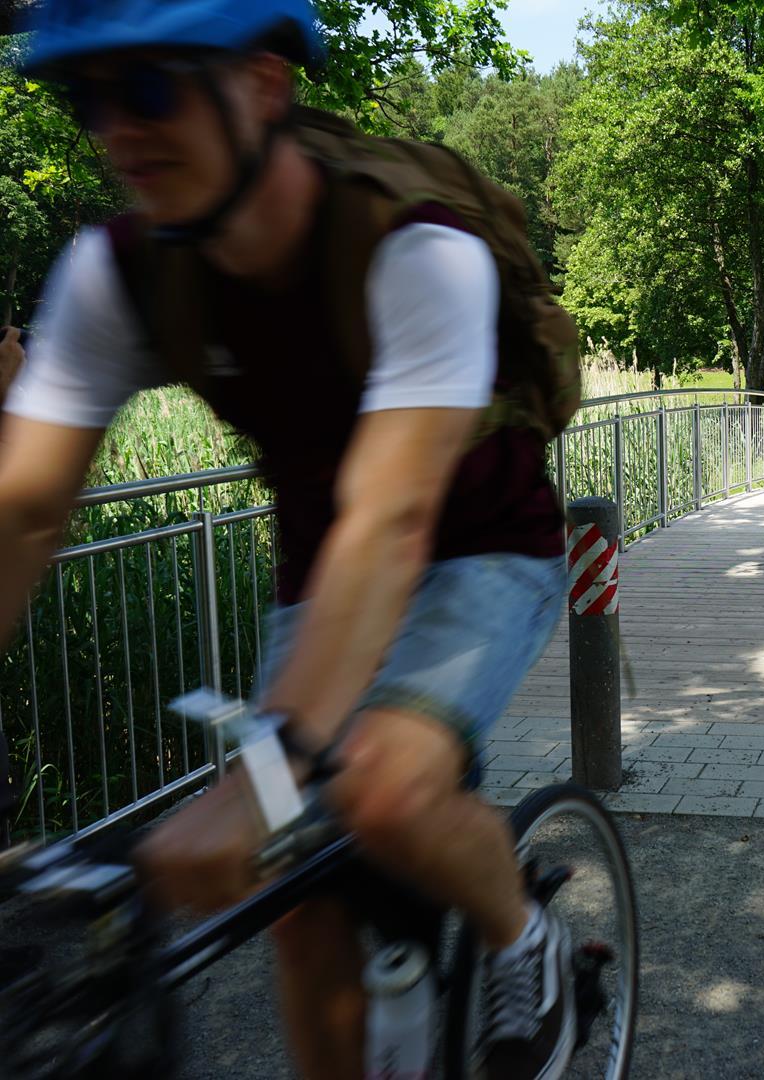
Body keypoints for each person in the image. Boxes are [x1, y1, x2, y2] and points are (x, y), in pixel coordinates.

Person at [0, 4, 578, 1079]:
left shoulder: (415, 250)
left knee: (375, 791)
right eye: (88, 99)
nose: (119, 130)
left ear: (264, 84)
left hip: (484, 549)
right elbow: (24, 508)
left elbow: (391, 515)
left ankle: (520, 932)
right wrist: (265, 795)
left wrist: (258, 778)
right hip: (326, 572)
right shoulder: (117, 271)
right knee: (293, 893)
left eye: (153, 88)